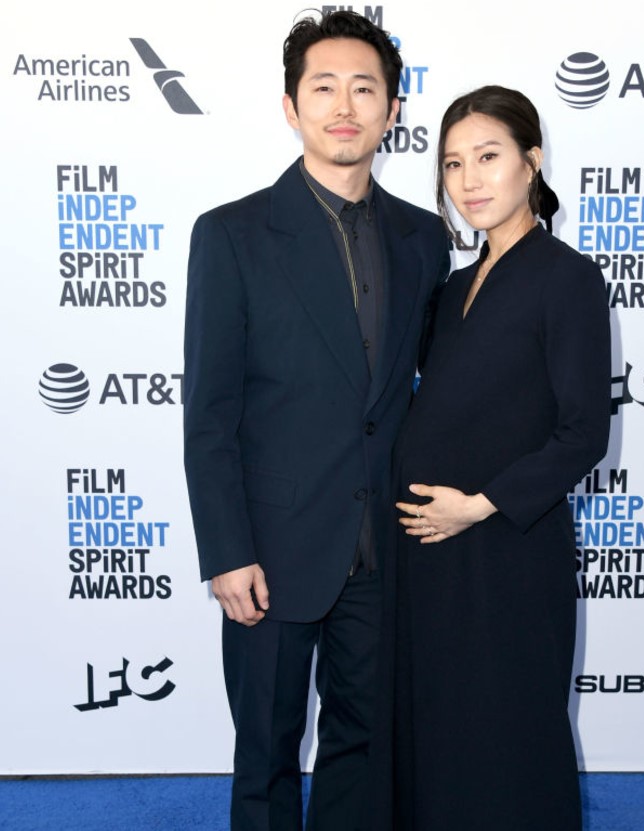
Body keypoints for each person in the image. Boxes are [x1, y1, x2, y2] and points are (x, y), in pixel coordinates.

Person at [182, 11, 449, 831]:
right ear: (291, 107)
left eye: (364, 89)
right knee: (264, 750)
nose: (345, 105)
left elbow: (429, 393)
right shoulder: (230, 234)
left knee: (363, 749)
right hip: (270, 552)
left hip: (382, 549)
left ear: (392, 111)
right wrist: (227, 552)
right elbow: (210, 411)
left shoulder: (424, 237)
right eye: (323, 87)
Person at [373, 86, 611, 830]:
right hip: (426, 555)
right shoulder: (445, 290)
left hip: (509, 549)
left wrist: (477, 506)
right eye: (451, 164)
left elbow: (583, 433)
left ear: (530, 162)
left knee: (509, 727)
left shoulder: (567, 277)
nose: (468, 180)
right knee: (436, 731)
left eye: (487, 157)